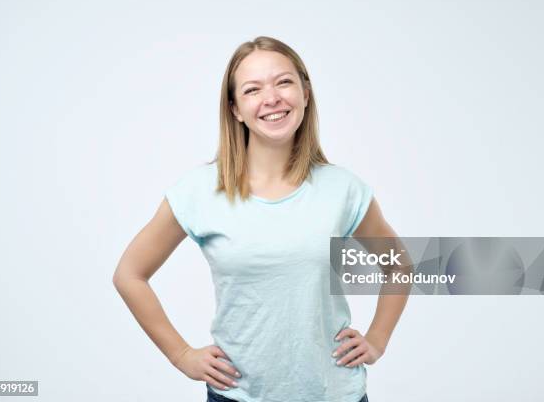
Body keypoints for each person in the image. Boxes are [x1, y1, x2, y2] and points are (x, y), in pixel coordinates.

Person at [113, 36, 410, 402]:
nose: (272, 98)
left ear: (305, 92)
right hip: (236, 396)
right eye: (253, 89)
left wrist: (378, 339)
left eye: (283, 82)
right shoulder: (199, 191)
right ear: (236, 108)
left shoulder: (344, 190)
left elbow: (400, 266)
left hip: (335, 395)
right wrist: (181, 355)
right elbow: (129, 275)